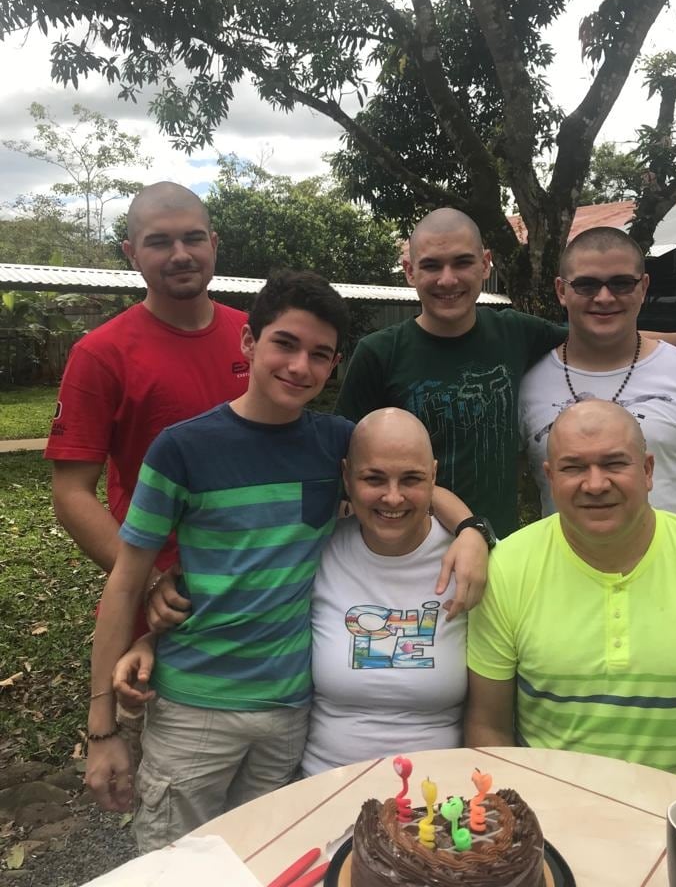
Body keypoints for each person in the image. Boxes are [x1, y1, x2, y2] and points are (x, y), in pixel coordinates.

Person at [86, 273, 486, 852]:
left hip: (289, 714)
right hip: (196, 707)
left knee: (273, 861)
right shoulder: (182, 449)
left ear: (334, 365)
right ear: (249, 342)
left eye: (319, 354)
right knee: (182, 864)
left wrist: (471, 529)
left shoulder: (334, 443)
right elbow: (125, 585)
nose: (300, 366)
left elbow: (406, 478)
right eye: (285, 344)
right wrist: (102, 728)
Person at [336, 208, 676, 537]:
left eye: (462, 262)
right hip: (407, 547)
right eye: (431, 266)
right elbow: (341, 462)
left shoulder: (514, 332)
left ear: (485, 264)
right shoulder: (380, 353)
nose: (448, 279)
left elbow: (598, 328)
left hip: (499, 551)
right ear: (409, 271)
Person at [115, 408, 468, 778]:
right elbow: (252, 602)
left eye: (411, 479)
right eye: (374, 478)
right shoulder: (318, 549)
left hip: (439, 790)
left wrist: (474, 529)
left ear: (433, 476)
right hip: (325, 783)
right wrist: (153, 642)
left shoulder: (466, 562)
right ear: (346, 477)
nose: (393, 497)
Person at [465, 400, 676, 805]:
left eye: (613, 463)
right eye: (574, 468)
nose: (595, 484)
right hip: (557, 822)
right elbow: (488, 725)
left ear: (647, 470)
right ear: (550, 477)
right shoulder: (507, 568)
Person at [45, 182, 247, 591]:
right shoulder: (100, 354)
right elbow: (70, 493)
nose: (181, 254)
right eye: (159, 242)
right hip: (167, 592)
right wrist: (147, 581)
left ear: (213, 244)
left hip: (262, 581)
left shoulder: (254, 335)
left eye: (193, 238)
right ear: (131, 253)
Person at [519, 226, 676, 550]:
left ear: (643, 287)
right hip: (566, 575)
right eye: (587, 285)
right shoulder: (526, 382)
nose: (605, 297)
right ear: (562, 290)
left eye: (621, 283)